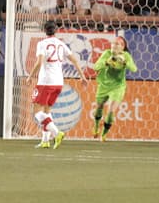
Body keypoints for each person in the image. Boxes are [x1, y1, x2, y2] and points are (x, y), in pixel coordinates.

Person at [25, 19, 88, 149]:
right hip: (58, 83)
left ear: (44, 30)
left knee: (37, 111)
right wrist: (82, 77)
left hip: (46, 82)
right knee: (47, 111)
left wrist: (30, 76)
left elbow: (39, 62)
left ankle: (56, 133)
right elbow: (75, 60)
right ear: (56, 30)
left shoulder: (42, 44)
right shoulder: (61, 44)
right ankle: (45, 141)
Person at [92, 35, 136, 141]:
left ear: (122, 47)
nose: (114, 45)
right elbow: (95, 67)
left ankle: (104, 134)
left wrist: (125, 63)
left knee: (111, 111)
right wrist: (106, 62)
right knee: (99, 109)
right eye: (113, 43)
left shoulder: (126, 56)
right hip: (104, 85)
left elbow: (134, 69)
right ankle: (96, 126)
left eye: (117, 44)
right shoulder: (107, 54)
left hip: (118, 87)